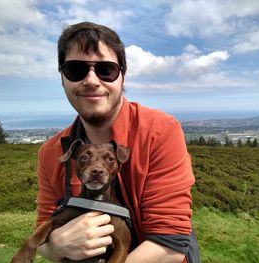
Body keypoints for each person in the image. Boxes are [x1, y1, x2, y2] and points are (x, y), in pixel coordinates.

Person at [36, 21, 200, 263]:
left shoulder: (159, 132)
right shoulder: (51, 152)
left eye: (106, 70)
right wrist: (56, 246)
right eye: (75, 70)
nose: (91, 80)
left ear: (122, 76)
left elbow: (170, 244)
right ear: (62, 78)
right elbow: (43, 233)